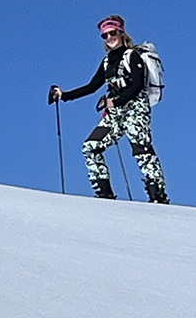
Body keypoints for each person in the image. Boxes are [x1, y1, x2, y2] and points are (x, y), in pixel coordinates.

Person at [50, 15, 169, 202]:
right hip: (115, 113)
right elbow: (92, 86)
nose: (109, 38)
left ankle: (158, 195)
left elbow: (137, 86)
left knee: (141, 148)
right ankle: (104, 194)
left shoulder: (133, 55)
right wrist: (63, 95)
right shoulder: (107, 62)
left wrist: (115, 101)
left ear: (121, 32)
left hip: (135, 110)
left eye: (112, 33)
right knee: (90, 147)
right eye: (104, 35)